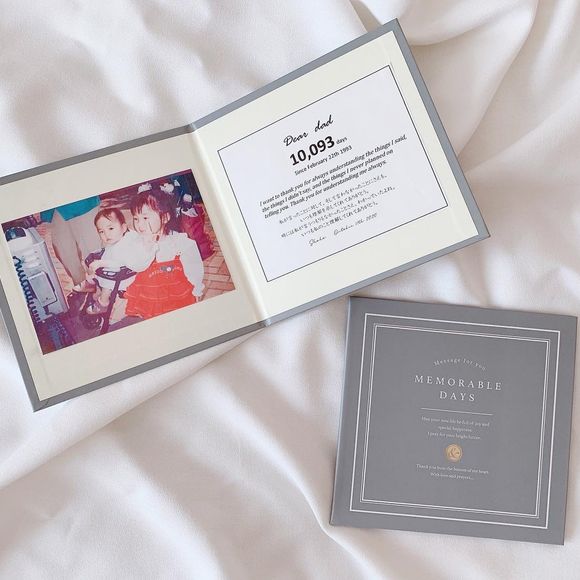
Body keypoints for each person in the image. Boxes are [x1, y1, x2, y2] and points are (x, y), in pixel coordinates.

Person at [124, 189, 205, 319]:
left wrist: (197, 289)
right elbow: (136, 265)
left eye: (145, 218)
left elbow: (194, 268)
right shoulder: (137, 242)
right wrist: (147, 247)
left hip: (178, 298)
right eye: (136, 219)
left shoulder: (180, 242)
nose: (140, 224)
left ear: (165, 217)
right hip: (150, 298)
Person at [73, 208, 156, 314]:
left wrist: (101, 263)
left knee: (107, 284)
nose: (106, 234)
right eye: (101, 231)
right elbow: (110, 255)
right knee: (98, 269)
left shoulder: (126, 244)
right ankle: (93, 284)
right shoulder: (116, 240)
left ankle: (103, 303)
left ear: (123, 228)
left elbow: (120, 262)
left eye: (111, 228)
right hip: (112, 270)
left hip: (122, 277)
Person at [40, 197, 102, 286]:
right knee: (65, 254)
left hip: (81, 202)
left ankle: (102, 285)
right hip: (52, 208)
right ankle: (83, 286)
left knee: (92, 249)